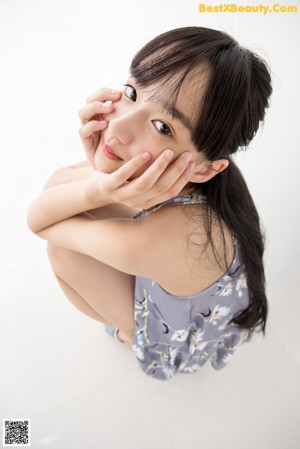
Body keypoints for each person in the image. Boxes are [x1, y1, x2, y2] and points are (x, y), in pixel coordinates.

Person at [28, 26, 272, 381]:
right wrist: (100, 172)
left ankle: (131, 336)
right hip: (176, 267)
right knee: (78, 214)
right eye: (131, 92)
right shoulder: (177, 176)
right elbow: (52, 189)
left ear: (207, 168)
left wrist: (98, 187)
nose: (119, 129)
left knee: (64, 252)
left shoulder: (171, 235)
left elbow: (39, 220)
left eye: (162, 126)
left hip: (188, 326)